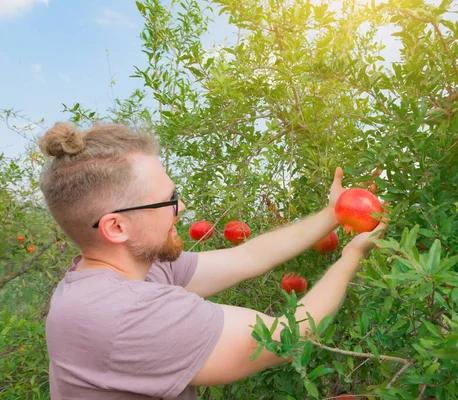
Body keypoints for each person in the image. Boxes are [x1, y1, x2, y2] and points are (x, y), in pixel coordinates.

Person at [39, 122, 386, 399]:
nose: (182, 208)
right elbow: (285, 337)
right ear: (117, 226)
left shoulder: (137, 268)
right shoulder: (121, 315)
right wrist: (351, 255)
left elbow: (247, 256)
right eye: (169, 200)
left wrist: (332, 214)